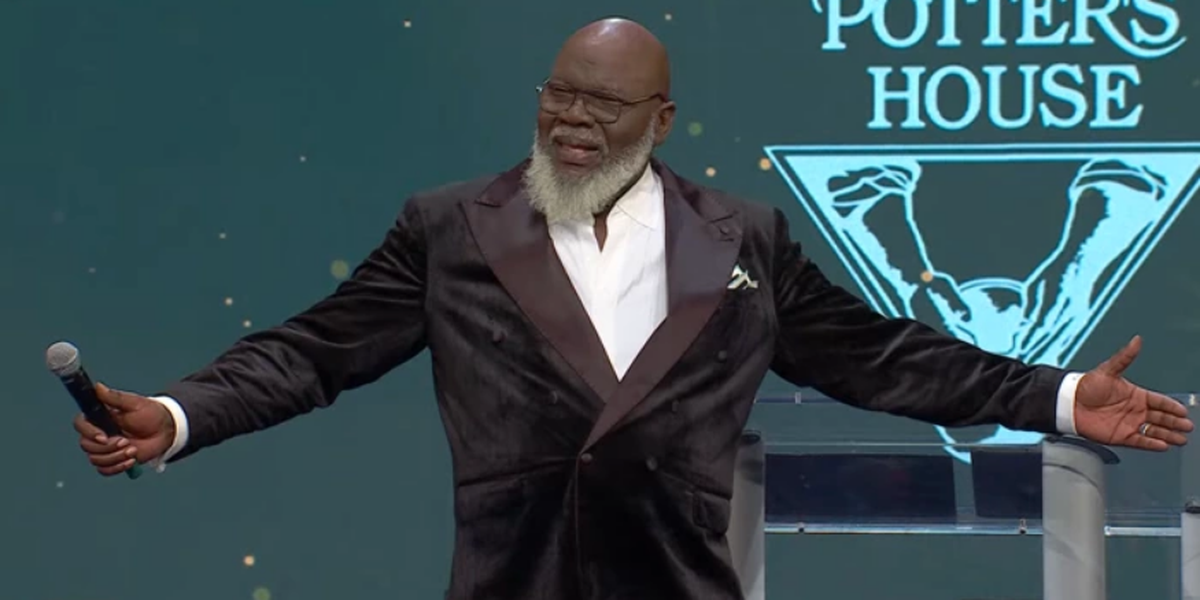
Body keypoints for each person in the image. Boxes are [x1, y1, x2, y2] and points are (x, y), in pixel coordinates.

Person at [72, 17, 1193, 600]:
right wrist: (177, 415)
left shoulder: (745, 238)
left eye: (601, 104)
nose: (572, 121)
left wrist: (1056, 397)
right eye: (558, 95)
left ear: (660, 122)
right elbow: (313, 353)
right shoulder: (451, 227)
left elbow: (878, 357)